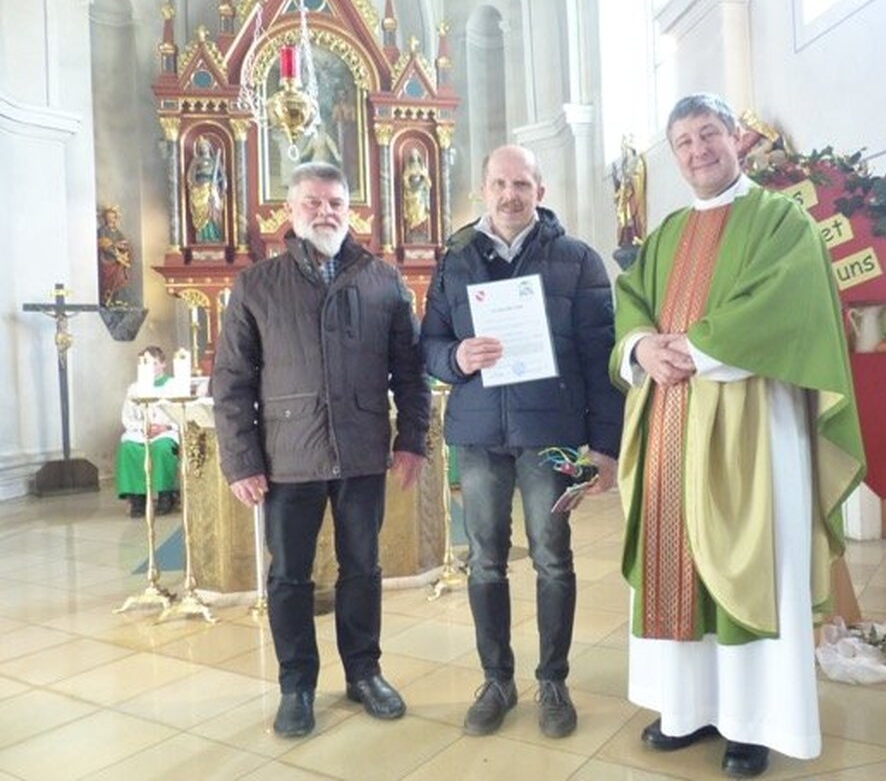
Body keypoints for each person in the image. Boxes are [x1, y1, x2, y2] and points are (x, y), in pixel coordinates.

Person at [610, 93, 865, 778]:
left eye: (708, 134)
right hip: (669, 417)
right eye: (683, 141)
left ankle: (754, 722)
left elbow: (788, 300)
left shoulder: (782, 219)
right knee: (677, 560)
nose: (697, 150)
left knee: (749, 559)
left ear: (736, 139)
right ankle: (684, 707)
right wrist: (641, 348)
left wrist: (693, 347)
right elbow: (630, 299)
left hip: (753, 420)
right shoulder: (664, 233)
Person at [213, 161, 430, 739]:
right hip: (287, 457)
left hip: (361, 451)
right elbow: (230, 382)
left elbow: (409, 374)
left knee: (363, 567)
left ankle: (364, 672)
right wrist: (241, 460)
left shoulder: (382, 279)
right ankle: (296, 685)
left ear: (349, 208)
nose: (325, 212)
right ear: (291, 210)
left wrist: (412, 439)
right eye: (312, 202)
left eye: (335, 202)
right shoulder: (256, 285)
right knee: (289, 576)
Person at [421, 145, 624, 740]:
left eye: (522, 184)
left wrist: (604, 449)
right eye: (499, 184)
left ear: (540, 188)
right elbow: (429, 343)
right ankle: (497, 679)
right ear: (483, 190)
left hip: (553, 437)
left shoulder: (578, 260)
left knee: (553, 558)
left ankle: (553, 680)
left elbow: (601, 357)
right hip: (480, 436)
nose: (510, 194)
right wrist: (455, 357)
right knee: (484, 560)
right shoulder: (454, 259)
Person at [116, 346, 179, 518]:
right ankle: (137, 499)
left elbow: (181, 414)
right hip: (141, 431)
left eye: (153, 363)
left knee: (162, 449)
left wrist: (165, 427)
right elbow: (127, 417)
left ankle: (166, 495)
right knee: (129, 447)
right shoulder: (135, 388)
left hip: (166, 432)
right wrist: (143, 427)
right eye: (144, 364)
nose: (148, 368)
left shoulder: (174, 385)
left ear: (163, 364)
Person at [187, 136, 226, 243]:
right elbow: (190, 176)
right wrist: (195, 187)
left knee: (212, 210)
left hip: (211, 189)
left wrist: (219, 187)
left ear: (209, 147)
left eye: (205, 145)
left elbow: (223, 177)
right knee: (201, 210)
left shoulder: (214, 162)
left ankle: (214, 235)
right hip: (199, 190)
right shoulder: (196, 161)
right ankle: (202, 237)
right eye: (201, 146)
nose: (204, 148)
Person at [97, 204, 132, 307]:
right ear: (104, 218)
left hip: (118, 261)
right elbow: (104, 245)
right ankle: (107, 298)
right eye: (108, 217)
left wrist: (124, 251)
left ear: (116, 218)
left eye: (112, 217)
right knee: (108, 280)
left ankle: (118, 299)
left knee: (121, 279)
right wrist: (115, 252)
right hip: (107, 260)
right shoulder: (102, 231)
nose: (110, 219)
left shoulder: (117, 232)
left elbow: (124, 243)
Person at [401, 148, 432, 242]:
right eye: (412, 154)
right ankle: (413, 229)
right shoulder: (409, 167)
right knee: (412, 212)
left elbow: (428, 182)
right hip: (411, 191)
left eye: (415, 154)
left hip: (420, 191)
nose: (414, 155)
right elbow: (405, 178)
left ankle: (420, 229)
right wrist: (408, 181)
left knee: (420, 211)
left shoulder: (422, 167)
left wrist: (423, 176)